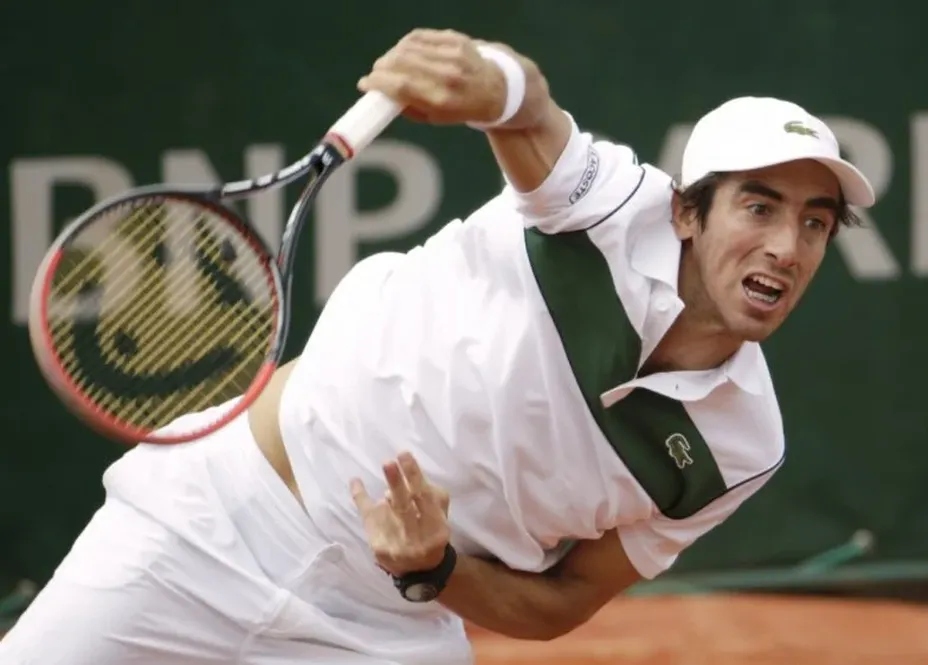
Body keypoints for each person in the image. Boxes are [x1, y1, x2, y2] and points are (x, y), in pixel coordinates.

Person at [0, 27, 875, 665]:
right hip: (209, 523)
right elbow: (529, 112)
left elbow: (564, 600)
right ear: (687, 212)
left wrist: (432, 569)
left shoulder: (739, 447)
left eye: (814, 224)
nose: (786, 247)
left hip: (384, 630)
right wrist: (488, 75)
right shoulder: (610, 207)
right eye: (759, 207)